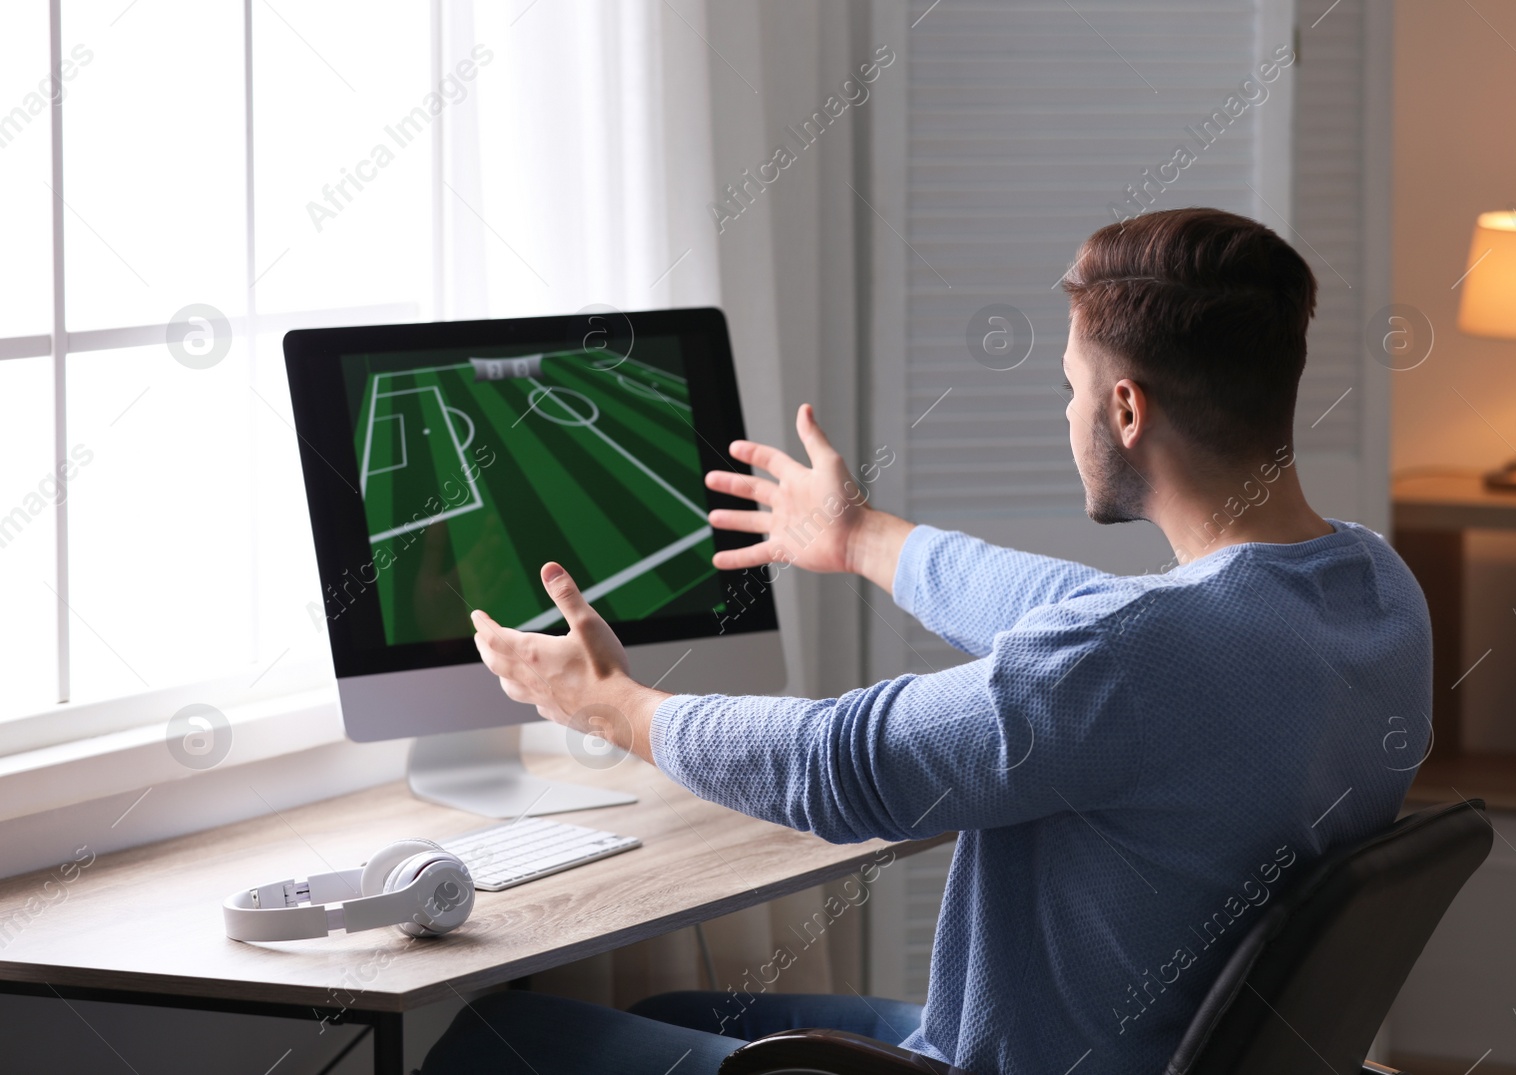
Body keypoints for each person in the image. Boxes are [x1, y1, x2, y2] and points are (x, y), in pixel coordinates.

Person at [421, 207, 1430, 1075]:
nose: (1066, 407)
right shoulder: (1372, 588)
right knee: (666, 1020)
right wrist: (861, 537)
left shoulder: (1134, 656)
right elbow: (1080, 615)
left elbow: (835, 765)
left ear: (1126, 408)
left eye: (1073, 385)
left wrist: (614, 708)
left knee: (495, 1036)